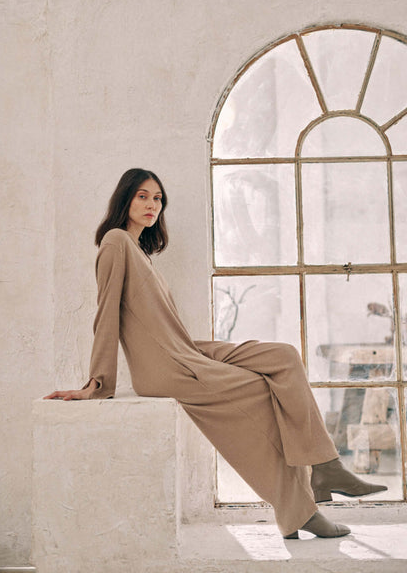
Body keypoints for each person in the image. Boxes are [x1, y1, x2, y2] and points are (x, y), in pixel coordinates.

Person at [45, 168, 387, 539]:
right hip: (165, 366)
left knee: (283, 357)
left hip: (185, 348)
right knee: (263, 390)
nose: (151, 205)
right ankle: (301, 510)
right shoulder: (115, 242)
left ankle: (325, 467)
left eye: (158, 198)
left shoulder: (141, 251)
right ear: (125, 199)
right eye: (142, 196)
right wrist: (96, 384)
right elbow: (106, 312)